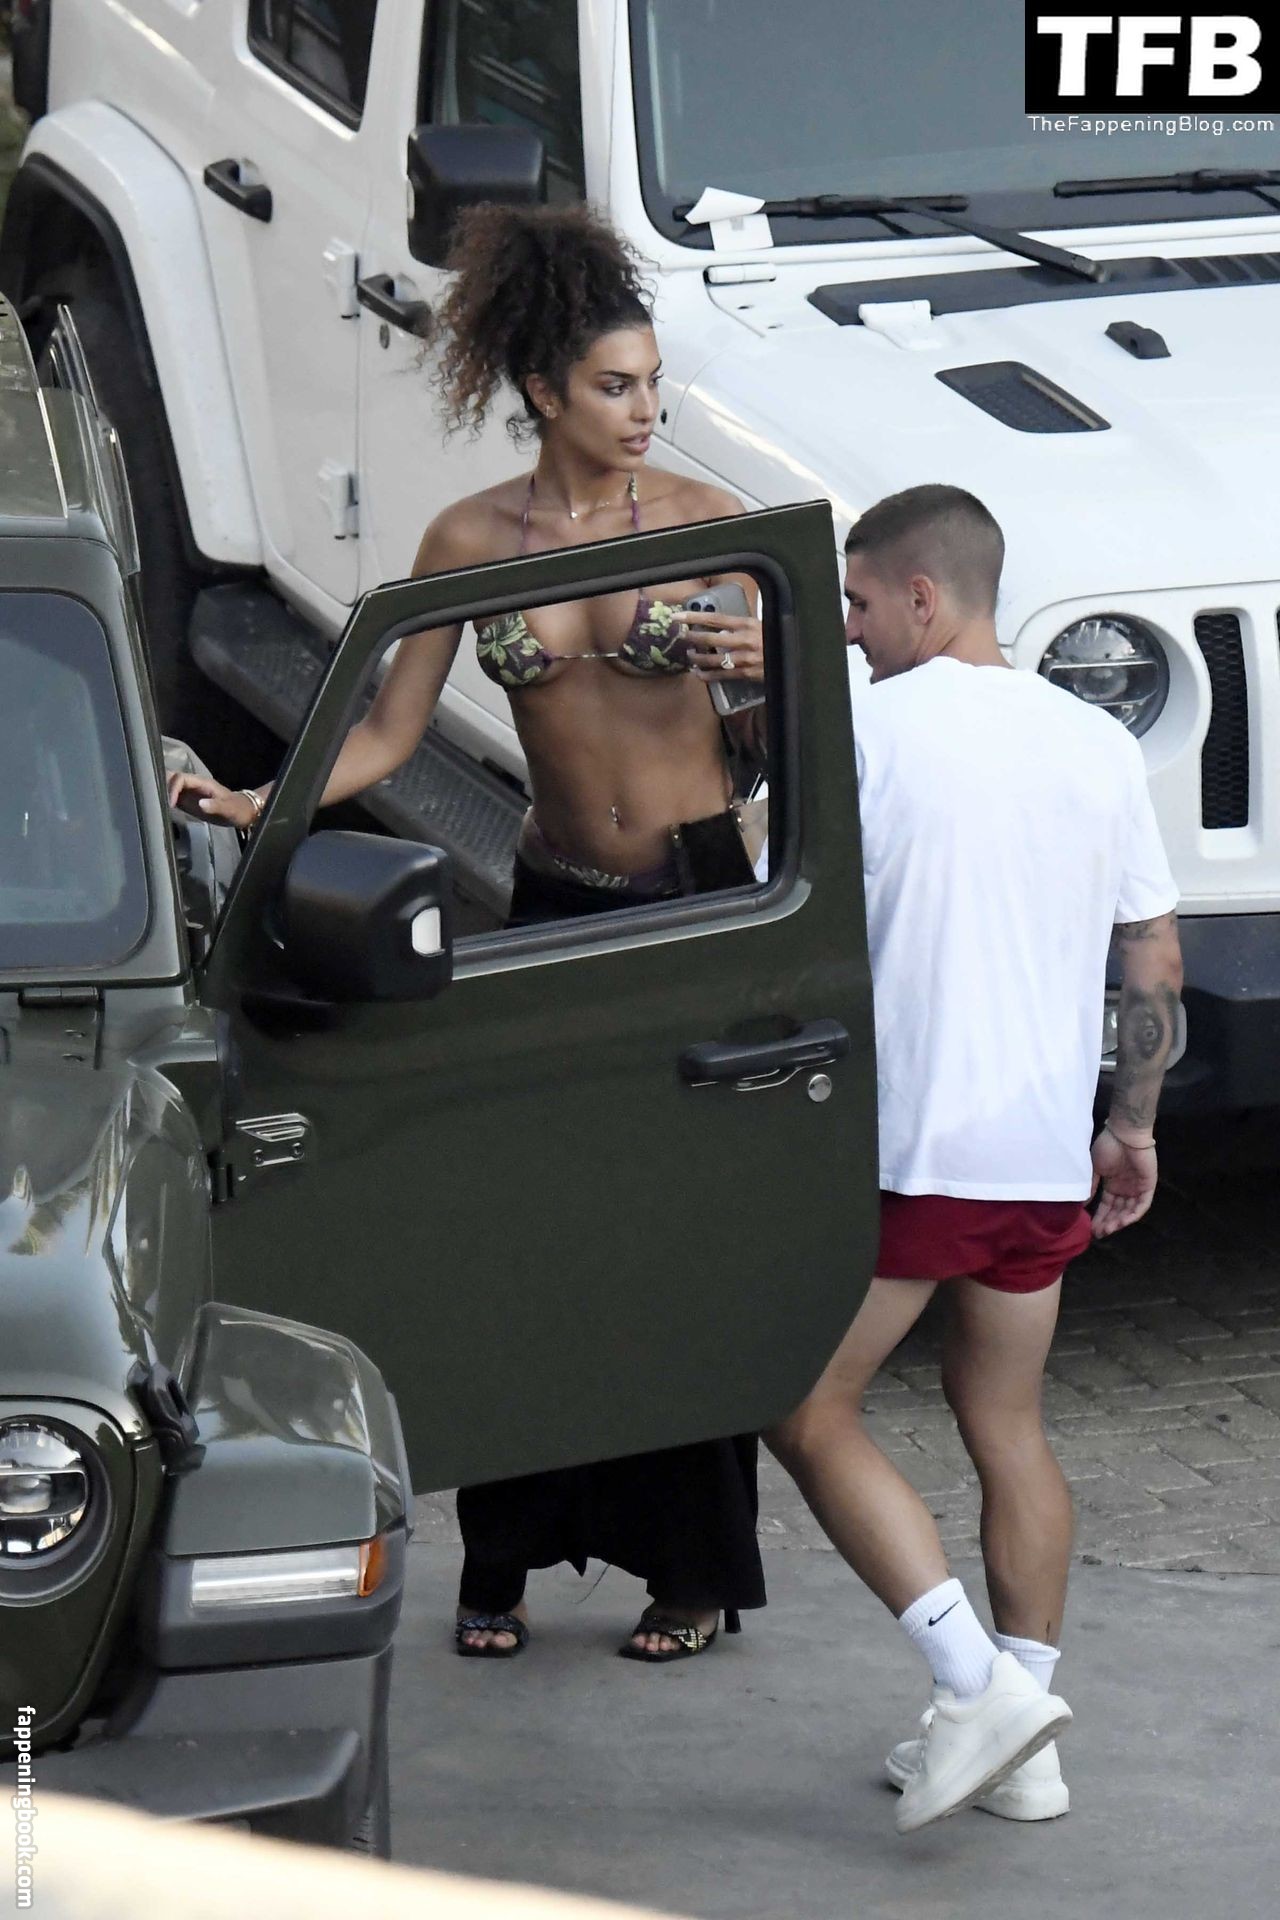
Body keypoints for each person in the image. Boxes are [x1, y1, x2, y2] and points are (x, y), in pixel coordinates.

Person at [168, 203, 768, 1664]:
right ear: (545, 391)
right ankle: (500, 1559)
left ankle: (691, 1571)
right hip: (553, 895)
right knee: (531, 1232)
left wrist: (771, 657)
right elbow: (389, 730)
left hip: (694, 901)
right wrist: (262, 802)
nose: (645, 411)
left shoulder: (712, 525)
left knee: (677, 1240)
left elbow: (786, 728)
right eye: (615, 387)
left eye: (653, 385)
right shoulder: (468, 538)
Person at [766, 484, 1183, 1832]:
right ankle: (1030, 1740)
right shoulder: (1099, 742)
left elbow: (764, 909)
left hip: (914, 1150)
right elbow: (1153, 958)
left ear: (923, 597)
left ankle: (972, 1685)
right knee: (1007, 1425)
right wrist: (1131, 1124)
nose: (847, 629)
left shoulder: (864, 731)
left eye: (858, 602)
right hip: (1037, 1154)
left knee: (802, 1407)